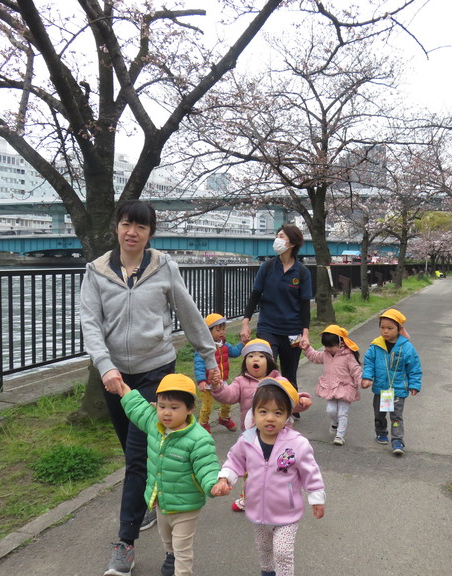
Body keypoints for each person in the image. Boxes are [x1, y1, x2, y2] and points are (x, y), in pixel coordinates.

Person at [80, 199, 220, 576]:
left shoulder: (163, 267)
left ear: (150, 233)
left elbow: (188, 312)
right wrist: (105, 365)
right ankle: (157, 503)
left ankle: (125, 543)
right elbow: (90, 323)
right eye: (127, 224)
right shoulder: (96, 272)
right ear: (117, 227)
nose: (132, 232)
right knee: (136, 457)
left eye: (141, 227)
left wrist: (209, 356)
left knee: (139, 454)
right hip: (115, 378)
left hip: (156, 373)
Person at [211, 378, 325, 576]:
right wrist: (224, 479)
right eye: (263, 412)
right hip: (257, 509)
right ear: (254, 413)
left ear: (288, 415)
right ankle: (267, 572)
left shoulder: (297, 444)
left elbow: (311, 472)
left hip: (287, 511)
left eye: (278, 413)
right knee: (264, 548)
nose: (270, 418)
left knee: (282, 553)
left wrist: (316, 498)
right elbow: (234, 462)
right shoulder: (247, 441)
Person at [116, 373, 222, 576]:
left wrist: (213, 484)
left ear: (189, 409)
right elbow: (137, 407)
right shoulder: (154, 424)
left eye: (174, 408)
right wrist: (123, 389)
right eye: (162, 406)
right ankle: (170, 555)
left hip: (186, 505)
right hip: (161, 500)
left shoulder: (199, 439)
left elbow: (207, 467)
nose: (166, 413)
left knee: (182, 548)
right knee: (167, 539)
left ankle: (182, 571)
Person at [210, 338, 311, 512]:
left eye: (260, 356)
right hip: (252, 437)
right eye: (250, 356)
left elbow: (291, 399)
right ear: (245, 362)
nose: (255, 359)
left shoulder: (279, 381)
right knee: (250, 469)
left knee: (280, 469)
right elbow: (228, 395)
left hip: (280, 436)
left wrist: (302, 401)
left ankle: (284, 498)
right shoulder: (241, 381)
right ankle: (248, 497)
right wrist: (218, 386)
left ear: (269, 360)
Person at [240, 224, 312, 407]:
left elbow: (305, 306)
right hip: (268, 327)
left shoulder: (302, 272)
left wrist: (305, 334)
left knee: (289, 373)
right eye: (277, 235)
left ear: (292, 243)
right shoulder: (267, 267)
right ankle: (264, 407)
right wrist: (245, 323)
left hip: (293, 331)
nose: (277, 240)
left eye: (282, 236)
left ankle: (291, 406)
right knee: (266, 367)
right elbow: (255, 296)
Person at [361, 308, 423, 457]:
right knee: (379, 414)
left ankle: (397, 440)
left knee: (396, 416)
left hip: (398, 390)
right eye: (382, 327)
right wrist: (367, 377)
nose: (385, 331)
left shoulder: (406, 347)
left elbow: (414, 367)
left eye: (390, 328)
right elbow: (369, 362)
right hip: (381, 389)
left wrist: (414, 384)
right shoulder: (376, 346)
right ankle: (381, 431)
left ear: (399, 329)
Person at [300, 325, 362, 446]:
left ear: (340, 343)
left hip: (345, 388)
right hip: (330, 388)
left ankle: (340, 436)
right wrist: (307, 348)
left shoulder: (348, 356)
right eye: (326, 346)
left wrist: (362, 381)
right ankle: (335, 422)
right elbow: (314, 356)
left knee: (342, 413)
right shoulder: (325, 354)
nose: (328, 349)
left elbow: (356, 370)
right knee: (331, 411)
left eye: (331, 346)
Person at [194, 313, 243, 433]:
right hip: (208, 383)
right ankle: (203, 424)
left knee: (227, 402)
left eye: (223, 329)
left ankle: (224, 418)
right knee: (207, 406)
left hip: (222, 381)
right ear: (208, 332)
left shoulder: (224, 345)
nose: (222, 332)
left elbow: (235, 352)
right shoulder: (203, 347)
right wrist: (201, 381)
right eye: (218, 330)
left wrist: (242, 343)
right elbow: (199, 365)